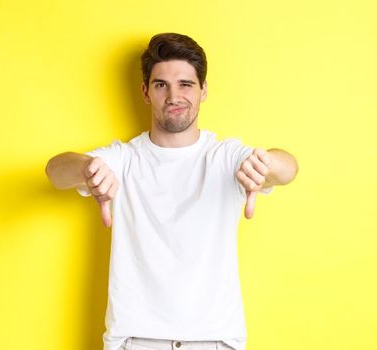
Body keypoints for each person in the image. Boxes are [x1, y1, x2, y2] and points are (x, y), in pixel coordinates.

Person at [45, 33, 298, 350]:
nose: (173, 95)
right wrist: (86, 169)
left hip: (214, 341)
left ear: (203, 90)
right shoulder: (123, 159)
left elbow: (288, 169)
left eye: (186, 84)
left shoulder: (225, 157)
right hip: (136, 341)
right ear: (145, 92)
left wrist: (267, 163)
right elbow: (55, 170)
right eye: (161, 84)